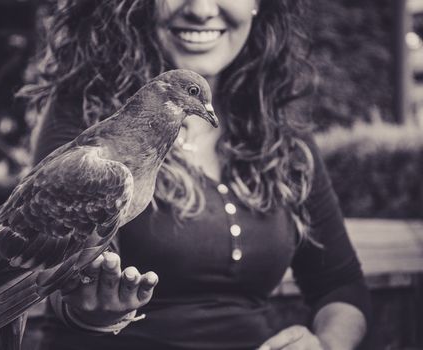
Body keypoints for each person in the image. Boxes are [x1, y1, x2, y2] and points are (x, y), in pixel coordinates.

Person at [20, 1, 371, 349]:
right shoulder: (89, 122)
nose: (201, 9)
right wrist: (90, 311)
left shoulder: (281, 136)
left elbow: (339, 285)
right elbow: (51, 277)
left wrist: (325, 345)